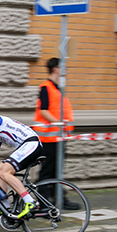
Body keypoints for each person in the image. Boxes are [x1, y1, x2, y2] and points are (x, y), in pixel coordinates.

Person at [32, 57, 79, 210]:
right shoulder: (46, 87)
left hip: (58, 137)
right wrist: (58, 123)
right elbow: (43, 110)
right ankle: (44, 203)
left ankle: (59, 198)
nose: (67, 71)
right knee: (47, 171)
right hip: (48, 138)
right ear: (56, 69)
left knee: (57, 170)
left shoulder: (58, 88)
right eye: (64, 68)